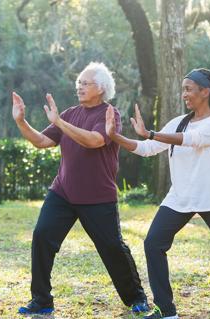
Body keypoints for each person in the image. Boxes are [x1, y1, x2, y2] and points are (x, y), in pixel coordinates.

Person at [105, 68, 210, 319]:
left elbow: (190, 140)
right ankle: (166, 310)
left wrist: (151, 132)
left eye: (188, 89)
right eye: (183, 89)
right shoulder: (178, 121)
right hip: (180, 197)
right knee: (153, 244)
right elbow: (147, 148)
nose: (184, 93)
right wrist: (115, 136)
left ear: (205, 91)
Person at [12, 62, 149, 315]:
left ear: (101, 88)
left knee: (112, 248)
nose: (80, 87)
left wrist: (60, 124)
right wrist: (21, 121)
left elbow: (95, 141)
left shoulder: (110, 114)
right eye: (79, 83)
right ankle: (41, 301)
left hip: (97, 196)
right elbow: (42, 141)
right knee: (42, 237)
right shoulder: (69, 113)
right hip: (63, 192)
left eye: (85, 83)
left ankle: (137, 298)